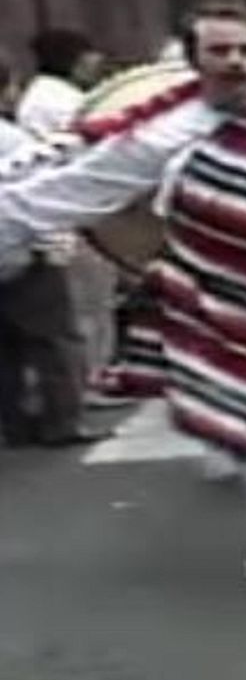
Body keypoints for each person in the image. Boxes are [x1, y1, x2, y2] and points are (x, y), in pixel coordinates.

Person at [0, 5, 246, 580]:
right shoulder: (158, 134)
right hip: (210, 303)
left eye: (245, 50)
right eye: (220, 51)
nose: (236, 62)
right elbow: (75, 188)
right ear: (194, 60)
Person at [18, 28, 126, 411]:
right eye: (87, 56)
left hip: (66, 209)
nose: (94, 62)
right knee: (88, 305)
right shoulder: (63, 101)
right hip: (75, 210)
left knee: (88, 304)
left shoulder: (42, 97)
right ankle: (91, 379)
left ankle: (89, 377)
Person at [0, 50, 101, 449]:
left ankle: (14, 425)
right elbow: (40, 194)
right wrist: (53, 244)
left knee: (3, 349)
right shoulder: (12, 141)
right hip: (22, 253)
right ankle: (62, 421)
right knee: (54, 341)